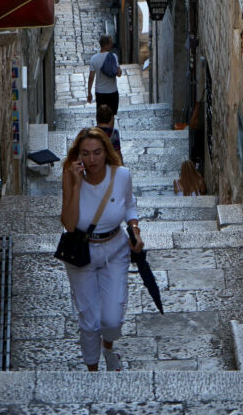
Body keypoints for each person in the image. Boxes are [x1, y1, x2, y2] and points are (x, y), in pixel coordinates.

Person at [59, 127, 143, 371]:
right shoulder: (70, 175)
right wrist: (75, 186)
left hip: (115, 250)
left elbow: (129, 206)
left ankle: (108, 347)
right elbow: (69, 223)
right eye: (85, 154)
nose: (91, 159)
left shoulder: (122, 176)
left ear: (106, 153)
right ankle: (92, 369)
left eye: (97, 152)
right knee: (89, 319)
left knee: (112, 317)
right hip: (81, 252)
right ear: (78, 156)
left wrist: (135, 230)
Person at [87, 34, 122, 115]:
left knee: (101, 116)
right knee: (111, 116)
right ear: (107, 44)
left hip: (100, 93)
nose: (112, 45)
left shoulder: (94, 59)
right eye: (110, 43)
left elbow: (91, 78)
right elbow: (119, 74)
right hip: (112, 92)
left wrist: (89, 93)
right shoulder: (113, 57)